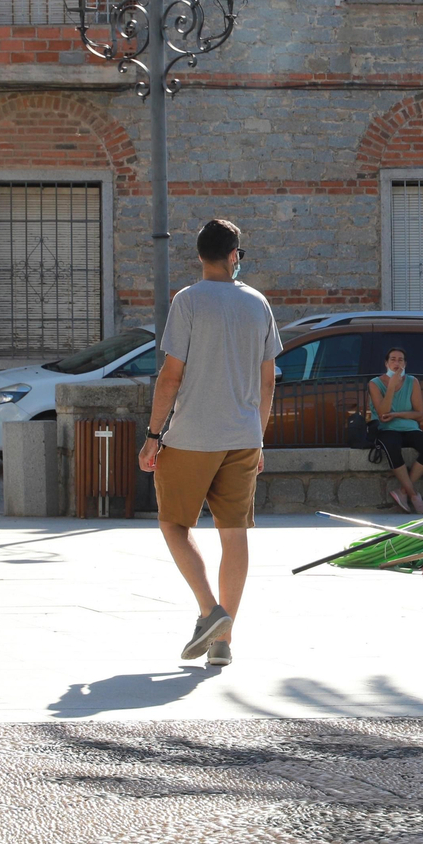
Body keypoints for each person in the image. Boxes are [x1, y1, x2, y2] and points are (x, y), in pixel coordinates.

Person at [139, 219, 280, 669]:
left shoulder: (188, 301)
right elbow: (268, 381)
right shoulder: (258, 303)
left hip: (192, 436)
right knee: (234, 533)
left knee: (174, 524)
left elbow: (171, 375)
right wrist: (258, 437)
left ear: (200, 255)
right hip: (241, 437)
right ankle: (224, 642)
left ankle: (209, 610)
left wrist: (152, 435)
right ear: (234, 255)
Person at [368, 346, 423, 514]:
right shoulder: (375, 383)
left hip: (410, 428)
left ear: (405, 363)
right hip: (387, 429)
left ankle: (403, 491)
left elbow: (419, 414)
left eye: (400, 360)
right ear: (386, 363)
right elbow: (383, 413)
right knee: (392, 447)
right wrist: (391, 387)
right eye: (393, 359)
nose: (396, 363)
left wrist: (398, 414)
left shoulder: (412, 381)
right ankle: (413, 494)